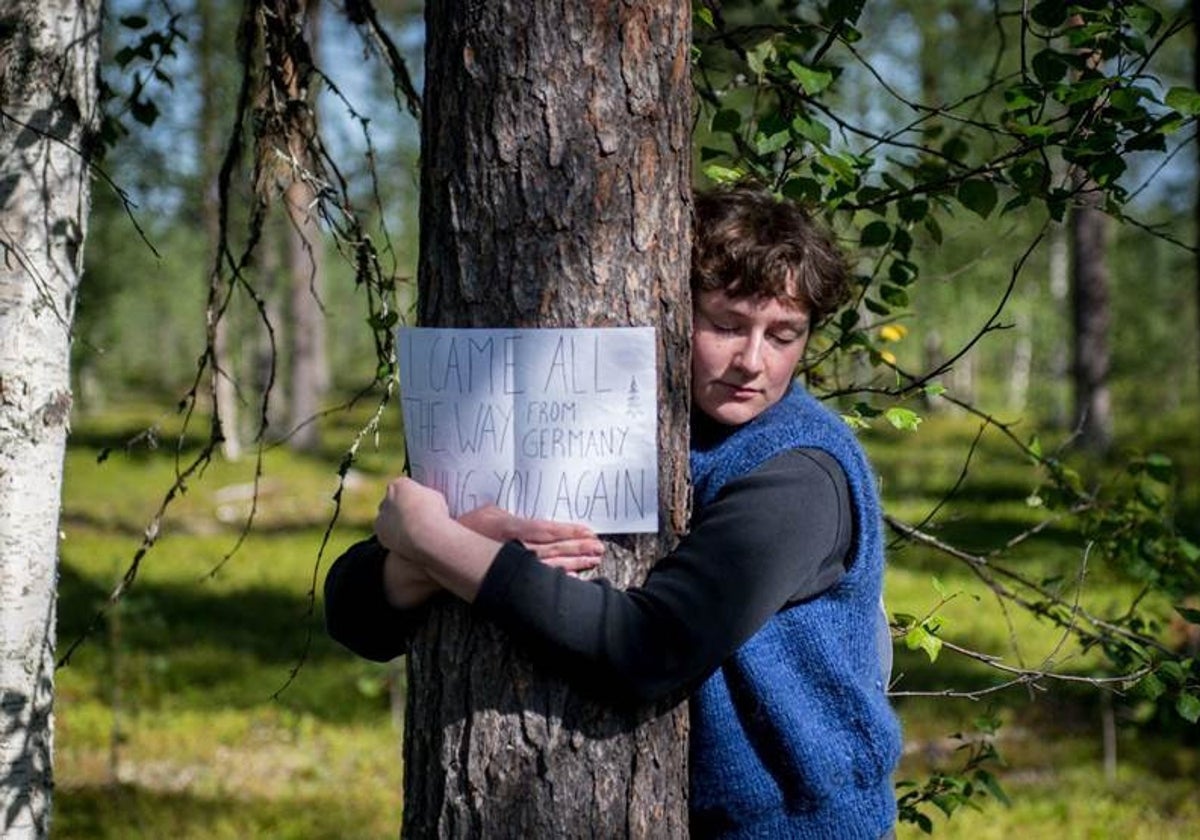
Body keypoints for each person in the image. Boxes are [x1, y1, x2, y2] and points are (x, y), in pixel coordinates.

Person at [324, 184, 903, 838]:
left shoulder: (797, 475)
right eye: (726, 324)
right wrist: (424, 556)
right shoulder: (623, 425)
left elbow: (646, 650)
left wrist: (436, 543)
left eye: (783, 335)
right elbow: (354, 620)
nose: (752, 361)